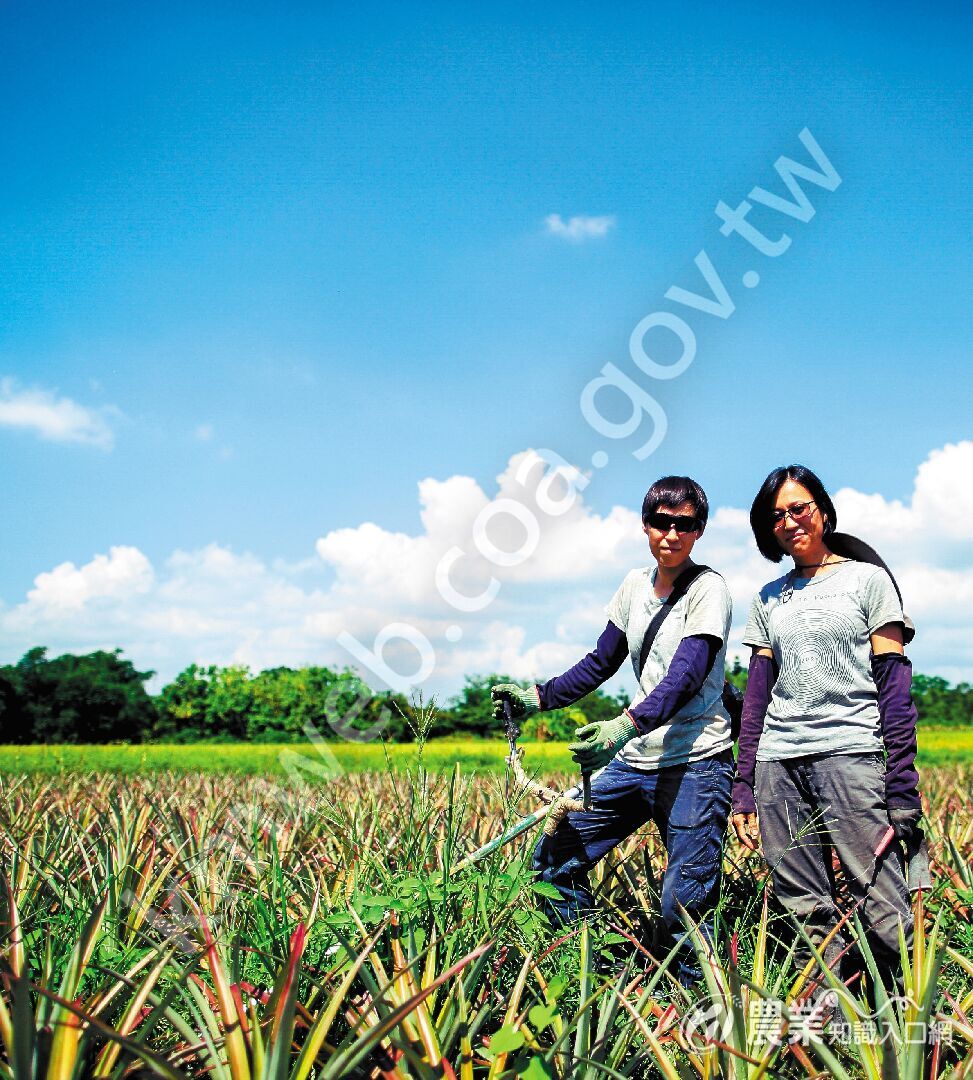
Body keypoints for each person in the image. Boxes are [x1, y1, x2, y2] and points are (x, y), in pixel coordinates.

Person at [491, 475, 734, 987]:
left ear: (699, 531)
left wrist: (624, 724)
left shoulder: (709, 590)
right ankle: (592, 973)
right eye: (660, 523)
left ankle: (693, 1006)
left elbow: (687, 675)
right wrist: (538, 697)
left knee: (684, 903)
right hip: (636, 759)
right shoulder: (632, 587)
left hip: (697, 761)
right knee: (555, 860)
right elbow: (601, 661)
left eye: (683, 525)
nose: (671, 534)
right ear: (645, 526)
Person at [730, 464, 923, 989]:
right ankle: (836, 1035)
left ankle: (913, 1028)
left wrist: (903, 784)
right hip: (778, 763)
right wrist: (744, 786)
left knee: (880, 899)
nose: (790, 521)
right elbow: (756, 698)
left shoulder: (868, 580)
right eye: (777, 516)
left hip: (851, 755)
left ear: (822, 511)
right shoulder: (767, 598)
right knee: (805, 908)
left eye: (800, 508)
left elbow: (894, 685)